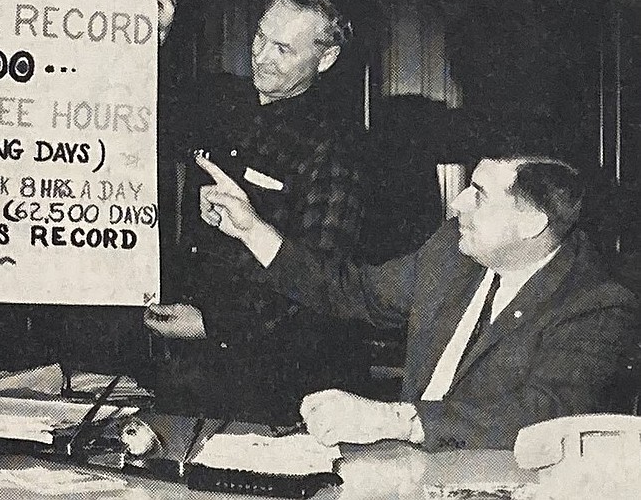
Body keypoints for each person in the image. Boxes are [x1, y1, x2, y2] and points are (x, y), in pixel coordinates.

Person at [172, 149, 636, 450]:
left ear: (532, 222)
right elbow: (349, 290)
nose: (457, 205)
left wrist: (395, 419)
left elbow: (543, 415)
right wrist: (252, 229)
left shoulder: (596, 305)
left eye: (479, 195)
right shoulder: (451, 253)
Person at [146, 0, 369, 424]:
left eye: (283, 50)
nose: (263, 58)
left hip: (277, 385)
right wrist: (157, 35)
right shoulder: (219, 101)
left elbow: (321, 282)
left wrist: (214, 322)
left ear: (326, 59)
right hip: (186, 370)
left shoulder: (336, 148)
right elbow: (137, 107)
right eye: (261, 38)